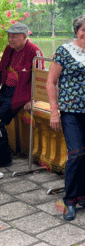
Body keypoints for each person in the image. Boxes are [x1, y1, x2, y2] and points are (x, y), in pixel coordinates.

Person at [46, 13, 85, 221]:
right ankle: (69, 200)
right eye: (84, 30)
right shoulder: (64, 51)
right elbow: (51, 82)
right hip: (70, 112)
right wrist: (54, 110)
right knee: (76, 154)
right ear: (77, 30)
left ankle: (84, 196)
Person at [0, 23, 43, 166]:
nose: (10, 40)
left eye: (14, 37)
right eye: (9, 36)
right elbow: (1, 70)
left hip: (20, 95)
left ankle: (4, 159)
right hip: (5, 90)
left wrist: (33, 99)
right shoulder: (9, 49)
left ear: (24, 37)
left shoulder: (34, 51)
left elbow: (40, 78)